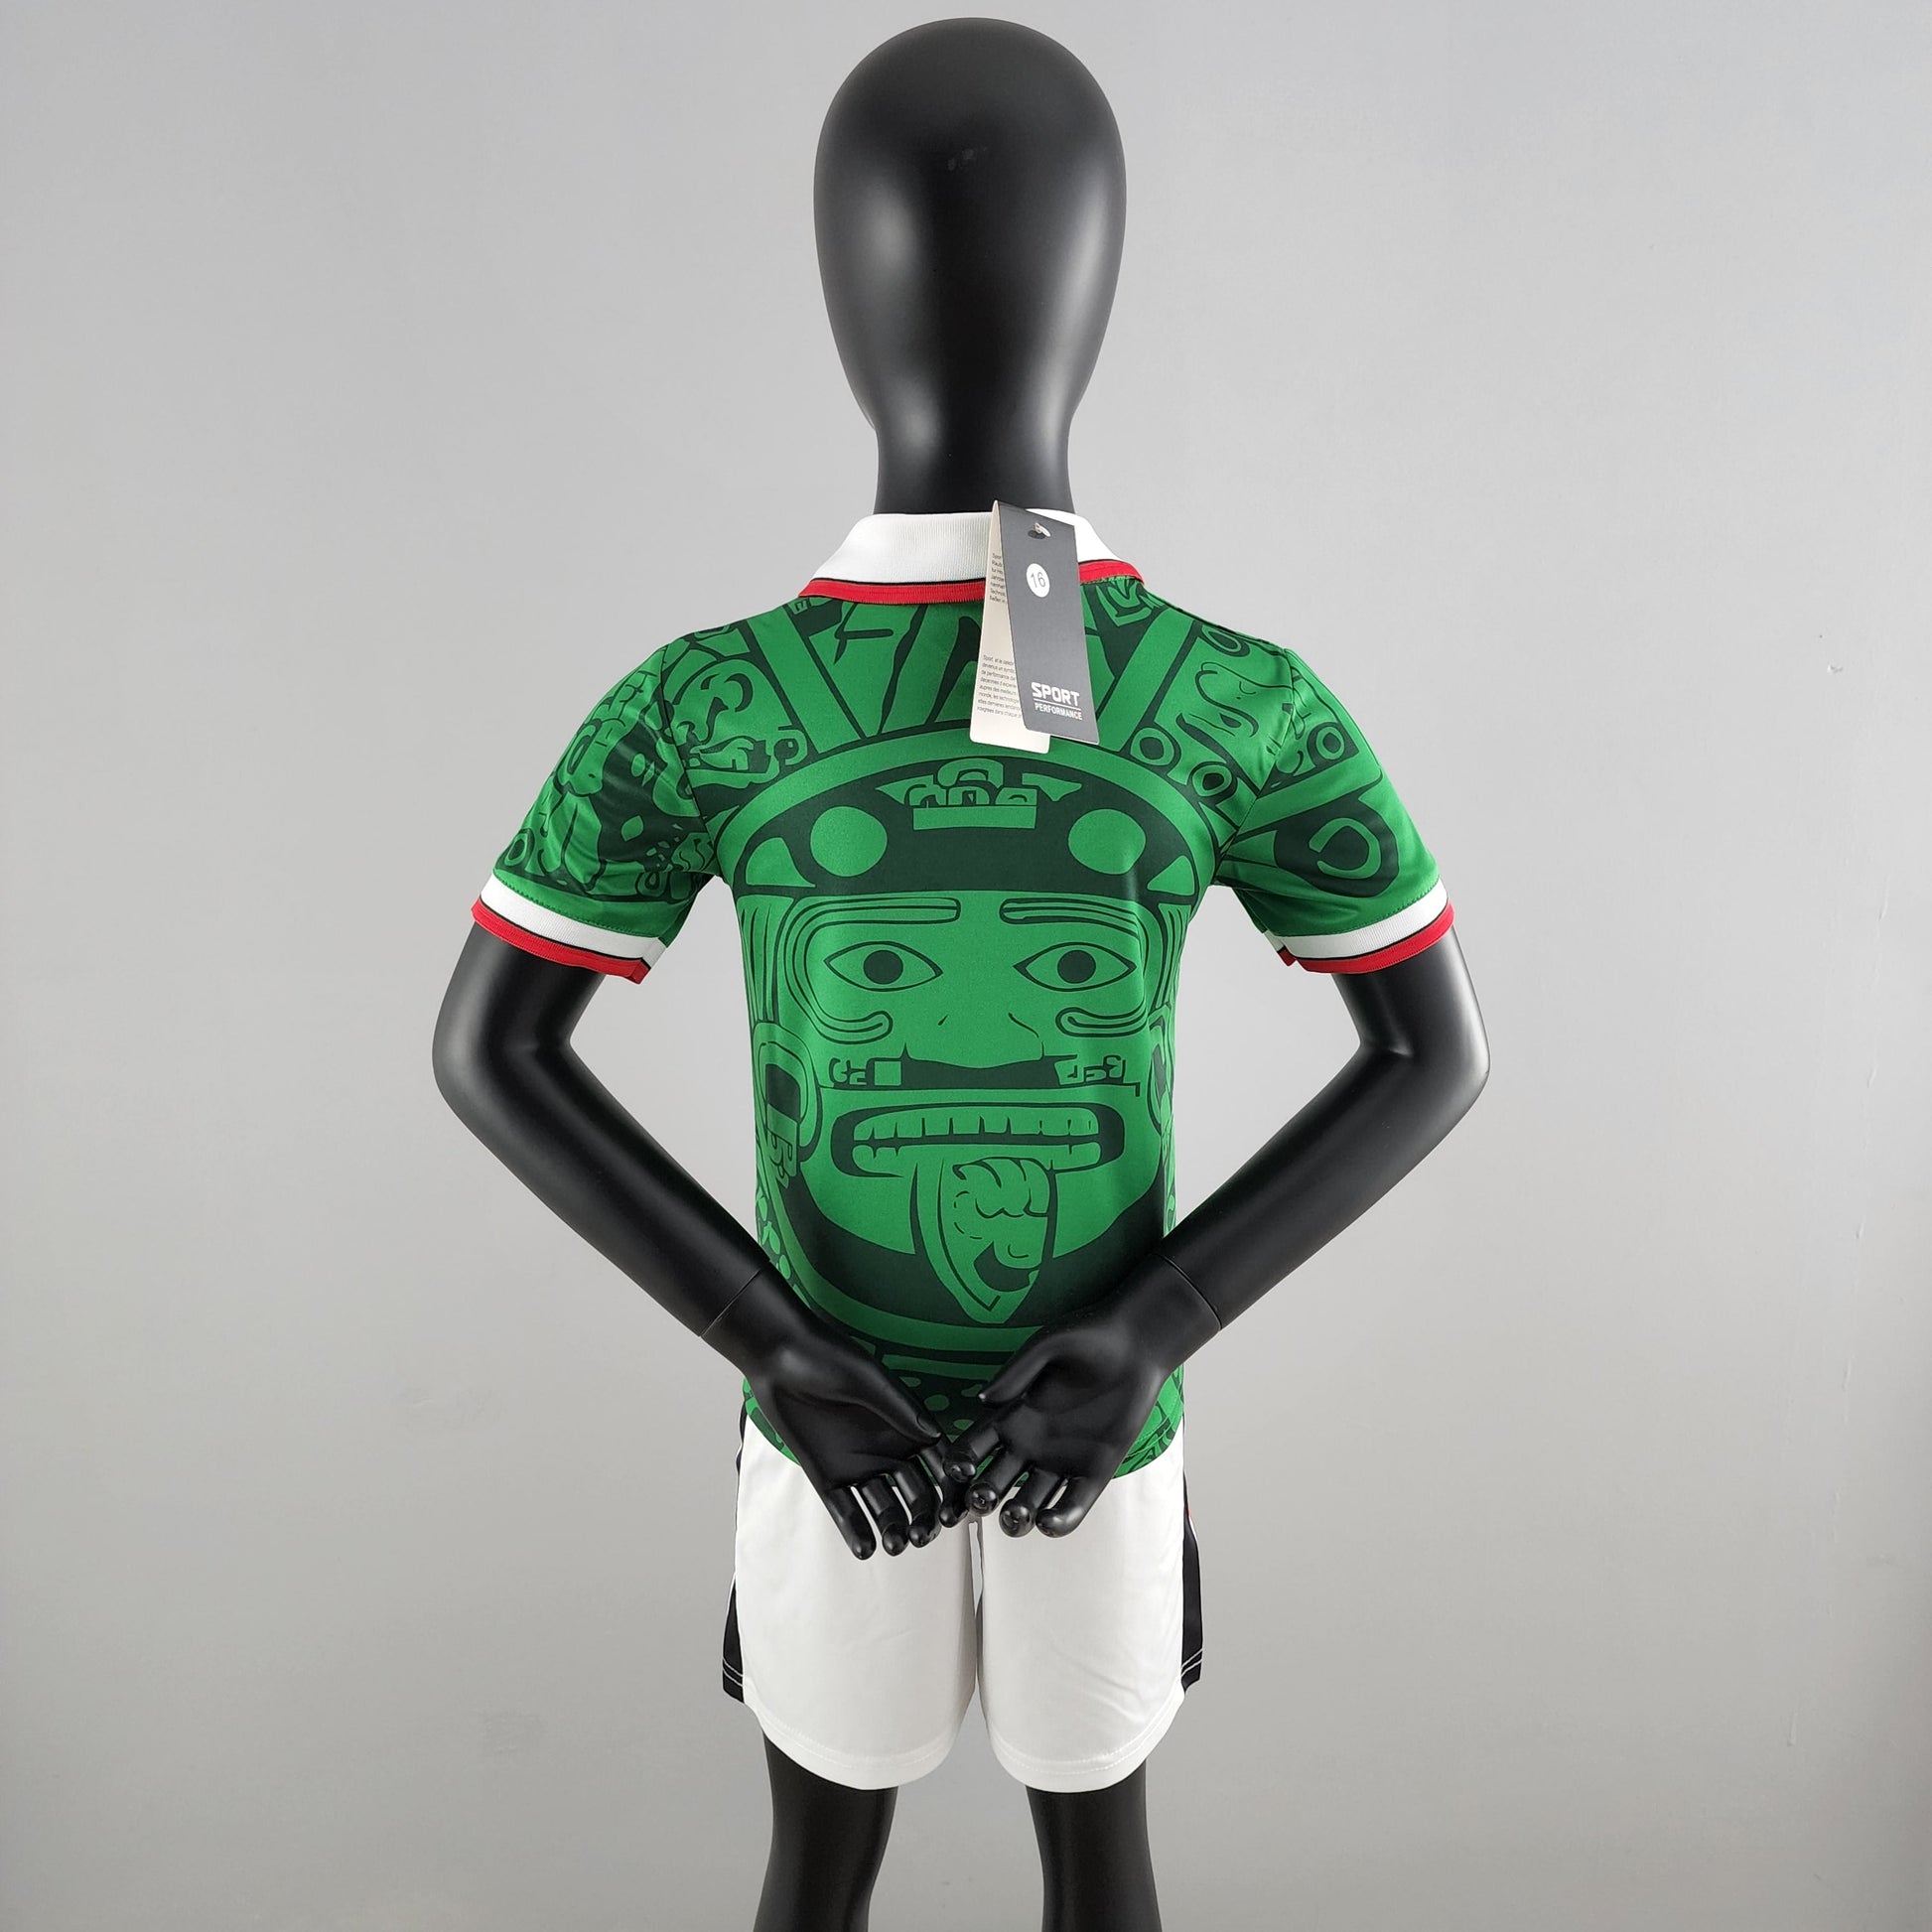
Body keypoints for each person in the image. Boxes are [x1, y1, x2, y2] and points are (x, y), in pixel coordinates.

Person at [433, 21, 1489, 1932]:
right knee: (981, 1865)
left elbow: (482, 1052)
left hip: (926, 1400)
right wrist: (1119, 1330)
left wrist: (797, 1341)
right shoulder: (1216, 699)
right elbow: (1439, 1056)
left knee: (924, 1866)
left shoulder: (711, 703)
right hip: (941, 1410)